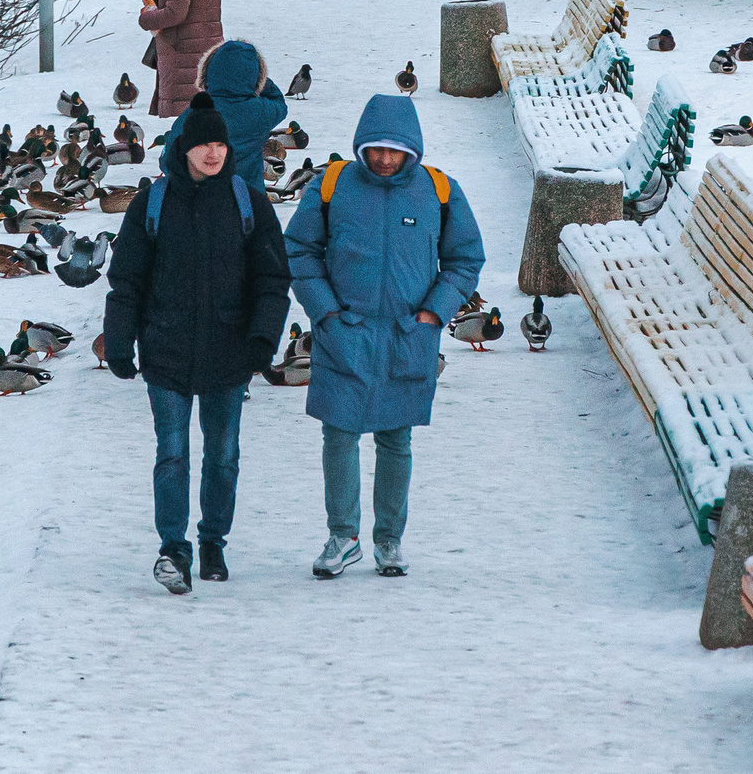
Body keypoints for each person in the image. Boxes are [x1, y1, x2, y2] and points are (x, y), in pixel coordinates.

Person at [282, 94, 483, 580]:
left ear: (411, 149)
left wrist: (434, 315)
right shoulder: (332, 185)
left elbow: (465, 260)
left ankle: (389, 540)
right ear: (362, 147)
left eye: (395, 151)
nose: (386, 159)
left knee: (396, 439)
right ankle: (343, 536)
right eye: (376, 150)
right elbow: (299, 250)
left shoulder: (439, 190)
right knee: (340, 435)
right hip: (343, 333)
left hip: (407, 335)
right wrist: (325, 312)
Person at [104, 93, 292, 594]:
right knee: (172, 454)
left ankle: (213, 540)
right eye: (203, 144)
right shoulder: (154, 202)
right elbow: (127, 281)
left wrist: (262, 339)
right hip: (166, 349)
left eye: (220, 144)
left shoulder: (247, 201)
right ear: (184, 147)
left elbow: (273, 278)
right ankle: (174, 549)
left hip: (229, 351)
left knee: (223, 453)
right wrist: (120, 341)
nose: (214, 153)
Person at [161, 38, 287, 191]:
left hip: (201, 201)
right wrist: (258, 81)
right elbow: (279, 104)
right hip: (248, 200)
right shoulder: (261, 111)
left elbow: (169, 160)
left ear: (207, 73)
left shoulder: (195, 113)